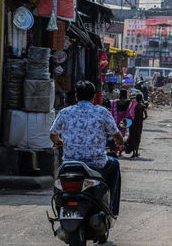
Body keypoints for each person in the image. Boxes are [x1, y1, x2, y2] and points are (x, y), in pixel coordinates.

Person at [49, 80, 123, 216]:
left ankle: (59, 208)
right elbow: (117, 136)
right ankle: (111, 207)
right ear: (93, 97)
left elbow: (53, 134)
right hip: (96, 164)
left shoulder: (65, 112)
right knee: (115, 164)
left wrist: (60, 142)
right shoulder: (102, 112)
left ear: (76, 96)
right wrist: (120, 142)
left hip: (70, 163)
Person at [111, 89, 135, 156]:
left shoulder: (115, 102)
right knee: (122, 136)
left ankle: (116, 150)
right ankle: (120, 151)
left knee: (115, 135)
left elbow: (112, 112)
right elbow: (130, 114)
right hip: (123, 121)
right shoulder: (128, 103)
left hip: (116, 120)